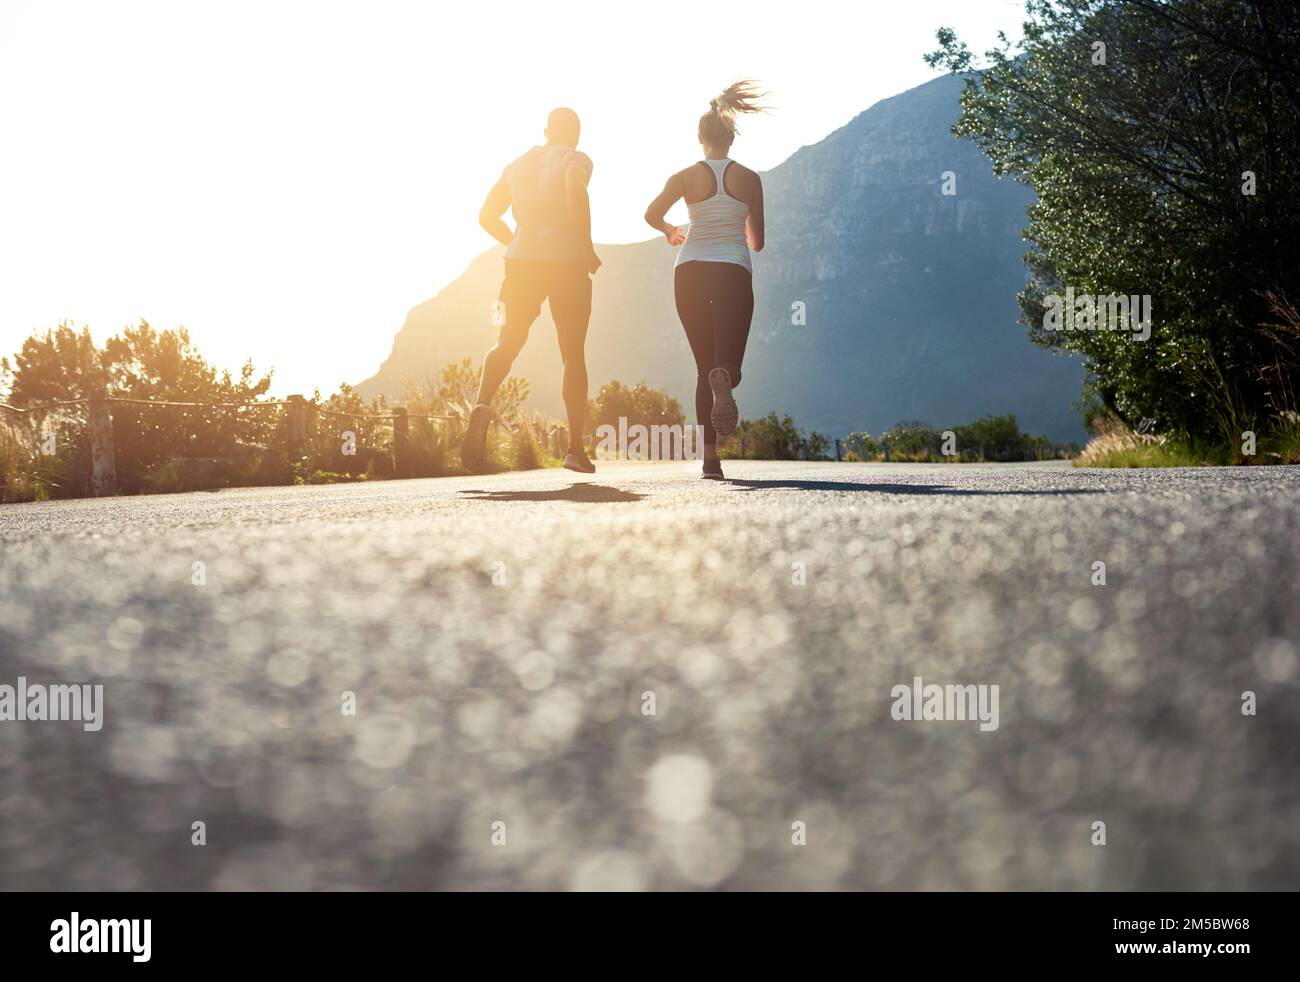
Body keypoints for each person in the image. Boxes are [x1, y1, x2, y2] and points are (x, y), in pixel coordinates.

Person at [461, 107, 602, 474]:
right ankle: (574, 449)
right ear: (576, 134)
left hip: (521, 264)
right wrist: (586, 247)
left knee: (507, 342)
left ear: (546, 131)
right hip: (567, 264)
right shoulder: (576, 159)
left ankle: (481, 405)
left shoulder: (518, 165)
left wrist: (516, 241)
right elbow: (575, 190)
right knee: (572, 354)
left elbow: (486, 215)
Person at [644, 81, 766, 480]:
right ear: (731, 138)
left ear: (700, 139)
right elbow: (758, 242)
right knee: (727, 362)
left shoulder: (683, 176)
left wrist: (669, 230)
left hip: (690, 269)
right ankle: (727, 377)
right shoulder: (750, 178)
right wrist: (736, 223)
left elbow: (651, 213)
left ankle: (710, 461)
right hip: (732, 270)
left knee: (702, 367)